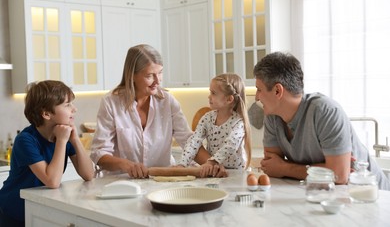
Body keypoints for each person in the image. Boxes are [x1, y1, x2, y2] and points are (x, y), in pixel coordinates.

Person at [255, 52, 390, 190]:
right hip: (329, 195)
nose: (256, 97)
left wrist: (285, 168)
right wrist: (326, 168)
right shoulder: (272, 115)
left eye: (259, 89)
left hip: (372, 195)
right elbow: (271, 166)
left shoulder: (326, 111)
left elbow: (338, 175)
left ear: (278, 91)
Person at [90, 44, 226, 178]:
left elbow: (188, 141)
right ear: (132, 75)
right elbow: (99, 153)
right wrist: (127, 165)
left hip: (162, 181)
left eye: (160, 73)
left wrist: (212, 163)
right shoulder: (111, 103)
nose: (157, 81)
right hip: (123, 184)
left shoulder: (167, 101)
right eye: (149, 75)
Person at [0, 80, 94, 227]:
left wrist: (75, 139)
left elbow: (89, 174)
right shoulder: (25, 140)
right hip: (14, 212)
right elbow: (52, 181)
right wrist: (62, 141)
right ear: (46, 114)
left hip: (40, 208)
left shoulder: (64, 134)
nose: (74, 109)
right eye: (67, 104)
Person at [177, 73, 252, 176]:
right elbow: (194, 141)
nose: (209, 96)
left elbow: (230, 145)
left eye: (213, 93)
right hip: (215, 171)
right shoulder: (207, 118)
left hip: (237, 173)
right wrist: (182, 164)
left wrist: (212, 162)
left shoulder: (238, 122)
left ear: (229, 99)